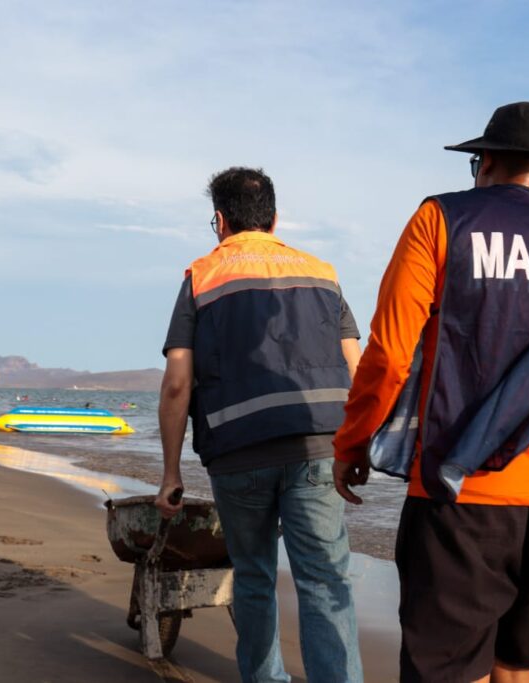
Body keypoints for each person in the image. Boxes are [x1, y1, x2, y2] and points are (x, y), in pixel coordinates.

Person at [332, 102, 529, 683]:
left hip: (456, 494)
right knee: (516, 667)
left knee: (446, 670)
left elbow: (390, 351)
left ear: (485, 160)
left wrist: (353, 443)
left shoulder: (440, 220)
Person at [155, 167, 364, 683]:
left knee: (253, 577)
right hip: (319, 449)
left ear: (220, 221)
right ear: (275, 218)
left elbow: (178, 383)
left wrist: (170, 472)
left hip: (237, 452)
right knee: (326, 581)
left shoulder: (201, 277)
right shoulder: (322, 272)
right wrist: (357, 447)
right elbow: (359, 371)